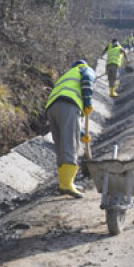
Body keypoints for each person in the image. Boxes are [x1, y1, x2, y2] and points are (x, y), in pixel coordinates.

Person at [45, 60, 96, 198]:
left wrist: (82, 132)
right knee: (70, 146)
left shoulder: (65, 76)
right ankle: (67, 185)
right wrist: (88, 102)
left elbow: (68, 125)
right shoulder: (85, 69)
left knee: (61, 146)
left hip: (52, 108)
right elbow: (87, 83)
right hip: (69, 105)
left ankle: (65, 183)